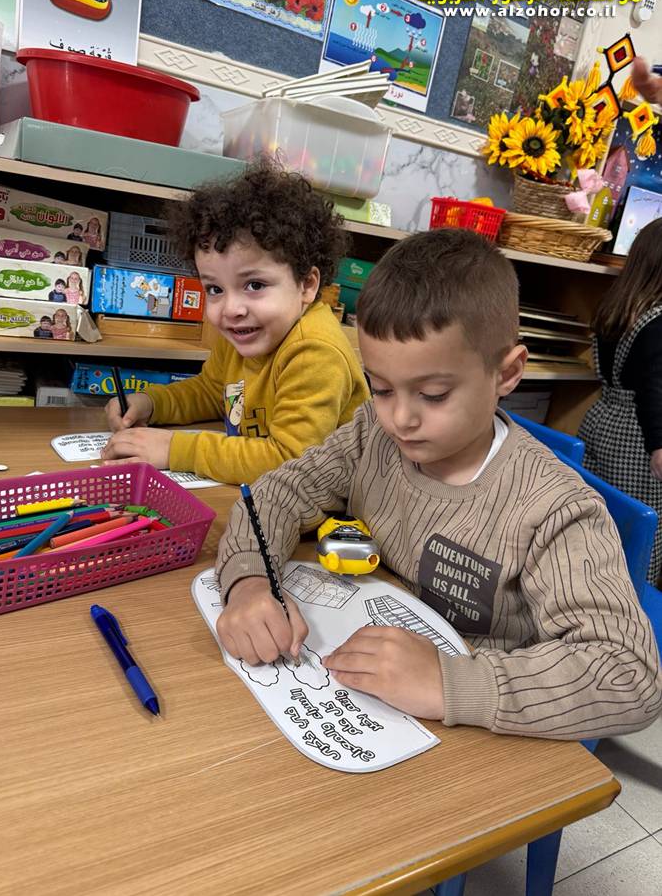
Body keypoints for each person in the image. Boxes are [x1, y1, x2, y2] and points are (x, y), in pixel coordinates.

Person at [214, 229, 661, 740]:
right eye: (381, 388)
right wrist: (249, 582)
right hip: (365, 686)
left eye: (432, 394)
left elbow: (630, 676)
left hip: (476, 732)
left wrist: (451, 682)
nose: (400, 419)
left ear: (507, 373)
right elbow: (276, 494)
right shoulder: (371, 433)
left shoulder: (553, 509)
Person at [101, 160, 370, 484]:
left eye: (254, 285)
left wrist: (174, 448)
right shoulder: (244, 333)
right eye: (215, 289)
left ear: (306, 285)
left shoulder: (315, 352)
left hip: (334, 501)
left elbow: (291, 460)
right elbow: (212, 392)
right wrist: (151, 403)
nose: (231, 309)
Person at [578, 218, 662, 582]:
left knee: (599, 516)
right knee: (640, 529)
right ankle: (628, 594)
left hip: (603, 419)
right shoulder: (658, 321)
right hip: (637, 439)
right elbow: (654, 387)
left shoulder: (618, 309)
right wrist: (659, 446)